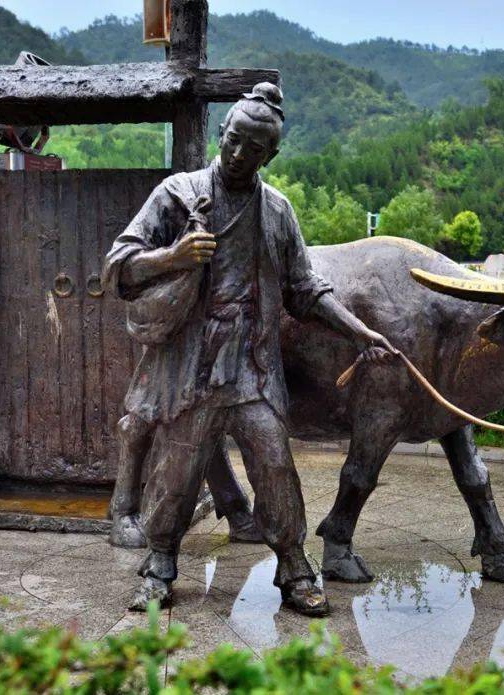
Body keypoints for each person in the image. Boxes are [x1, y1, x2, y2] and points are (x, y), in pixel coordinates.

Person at [102, 83, 396, 616]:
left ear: (271, 154)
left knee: (275, 463)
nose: (238, 155)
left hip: (253, 369)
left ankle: (294, 567)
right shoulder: (178, 195)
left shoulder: (277, 211)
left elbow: (305, 290)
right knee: (177, 469)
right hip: (193, 367)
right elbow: (117, 268)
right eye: (233, 140)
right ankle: (161, 564)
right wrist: (174, 256)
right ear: (222, 132)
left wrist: (361, 333)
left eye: (253, 149)